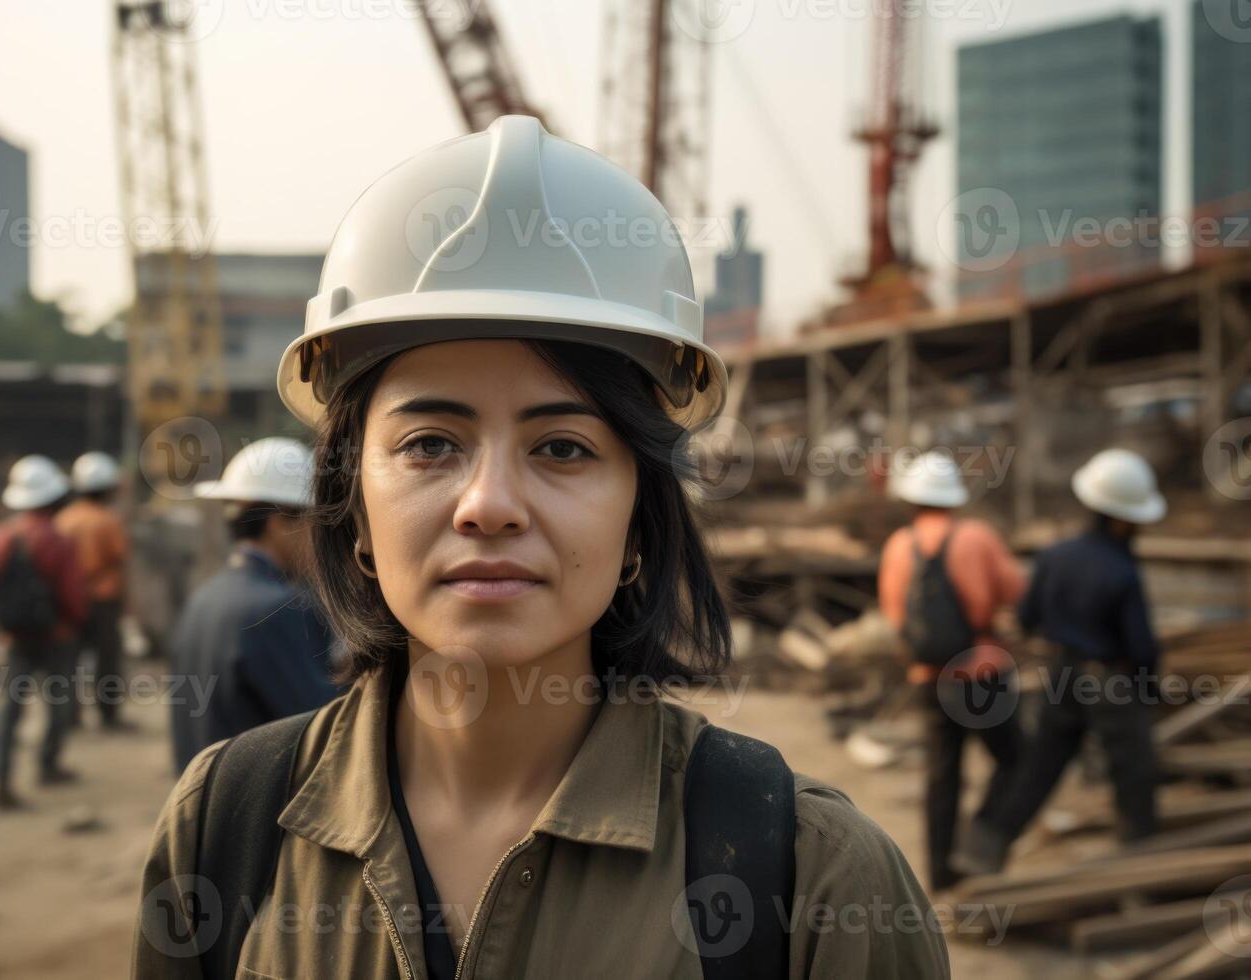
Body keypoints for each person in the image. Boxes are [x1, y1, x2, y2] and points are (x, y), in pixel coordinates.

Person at [133, 116, 947, 978]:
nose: (489, 505)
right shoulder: (222, 828)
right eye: (430, 445)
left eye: (563, 448)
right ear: (355, 512)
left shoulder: (811, 876)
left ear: (640, 518)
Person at [954, 448, 1166, 876]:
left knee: (1038, 768)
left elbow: (1028, 617)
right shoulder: (1123, 571)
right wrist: (1149, 687)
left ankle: (983, 851)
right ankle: (1143, 873)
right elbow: (1141, 646)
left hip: (1063, 676)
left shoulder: (1054, 557)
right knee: (1135, 777)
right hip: (1111, 682)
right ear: (1123, 518)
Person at [877, 450, 1026, 892]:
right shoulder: (976, 537)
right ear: (954, 498)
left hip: (928, 677)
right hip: (981, 673)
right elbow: (1016, 590)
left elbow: (894, 616)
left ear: (911, 500)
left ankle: (941, 877)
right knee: (1016, 760)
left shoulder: (897, 546)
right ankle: (981, 839)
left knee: (943, 775)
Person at [167, 437, 341, 772]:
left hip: (207, 804)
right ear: (278, 524)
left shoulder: (203, 599)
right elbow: (325, 731)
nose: (317, 539)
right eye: (313, 524)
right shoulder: (280, 608)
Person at [0, 455, 87, 810]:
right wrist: (72, 623)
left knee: (11, 711)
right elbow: (72, 595)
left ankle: (0, 780)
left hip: (16, 639)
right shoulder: (57, 540)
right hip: (55, 637)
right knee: (59, 704)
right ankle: (47, 766)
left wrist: (3, 623)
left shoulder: (1, 537)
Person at [56, 451, 133, 731]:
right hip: (103, 600)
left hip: (70, 599)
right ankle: (108, 716)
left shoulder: (64, 519)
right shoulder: (108, 521)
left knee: (69, 660)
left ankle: (70, 716)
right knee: (107, 660)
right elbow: (119, 560)